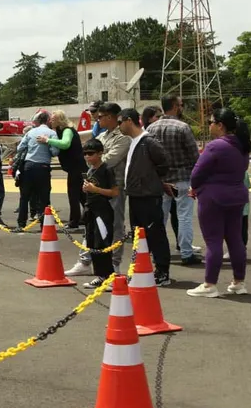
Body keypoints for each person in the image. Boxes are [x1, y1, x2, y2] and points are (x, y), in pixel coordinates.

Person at [187, 108, 251, 298]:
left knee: (213, 240)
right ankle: (238, 282)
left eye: (211, 122)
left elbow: (197, 173)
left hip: (213, 197)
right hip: (237, 195)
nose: (210, 125)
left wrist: (195, 187)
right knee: (235, 239)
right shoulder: (242, 146)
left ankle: (210, 284)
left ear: (220, 125)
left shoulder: (215, 146)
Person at [65, 103, 130, 275]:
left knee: (114, 227)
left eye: (99, 116)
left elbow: (109, 160)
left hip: (112, 188)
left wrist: (97, 157)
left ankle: (113, 264)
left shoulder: (122, 138)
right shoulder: (102, 136)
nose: (96, 118)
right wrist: (94, 156)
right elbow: (92, 158)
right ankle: (86, 261)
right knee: (90, 226)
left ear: (110, 117)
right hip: (93, 188)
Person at [118, 107, 174, 286]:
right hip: (136, 195)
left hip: (148, 195)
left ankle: (162, 271)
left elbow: (164, 163)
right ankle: (141, 269)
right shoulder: (134, 142)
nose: (119, 126)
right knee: (139, 236)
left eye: (120, 122)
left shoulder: (148, 141)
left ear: (128, 120)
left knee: (155, 233)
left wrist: (153, 180)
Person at [146, 95, 201, 265]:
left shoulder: (151, 128)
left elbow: (148, 156)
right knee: (184, 216)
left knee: (160, 218)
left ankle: (157, 253)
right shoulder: (183, 127)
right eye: (181, 104)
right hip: (182, 178)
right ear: (175, 106)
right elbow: (194, 155)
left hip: (161, 180)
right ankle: (186, 252)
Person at [78, 139, 119, 290]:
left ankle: (109, 276)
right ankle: (100, 275)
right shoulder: (90, 170)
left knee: (102, 243)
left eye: (91, 154)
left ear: (100, 153)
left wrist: (96, 190)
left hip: (103, 211)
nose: (87, 157)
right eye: (85, 154)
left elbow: (115, 192)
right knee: (92, 244)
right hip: (91, 210)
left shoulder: (106, 169)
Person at [12, 111, 59, 232]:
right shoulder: (51, 133)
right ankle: (44, 224)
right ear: (48, 120)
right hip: (43, 166)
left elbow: (20, 148)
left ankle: (21, 224)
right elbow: (55, 152)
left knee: (24, 197)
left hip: (28, 166)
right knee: (44, 197)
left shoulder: (30, 132)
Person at [38, 110, 86, 230]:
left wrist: (47, 140)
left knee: (73, 194)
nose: (51, 121)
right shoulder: (61, 131)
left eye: (53, 119)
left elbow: (65, 144)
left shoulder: (67, 130)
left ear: (59, 120)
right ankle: (86, 218)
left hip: (76, 168)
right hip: (76, 167)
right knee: (81, 196)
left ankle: (74, 221)